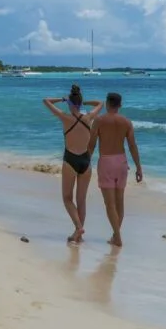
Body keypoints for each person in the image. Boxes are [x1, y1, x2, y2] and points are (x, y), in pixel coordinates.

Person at [44, 84, 103, 244]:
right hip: (86, 160)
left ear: (70, 104)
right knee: (81, 200)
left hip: (70, 159)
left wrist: (63, 99)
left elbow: (46, 101)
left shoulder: (65, 117)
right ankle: (79, 235)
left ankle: (78, 227)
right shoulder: (89, 117)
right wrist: (84, 102)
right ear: (80, 103)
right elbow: (100, 104)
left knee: (67, 198)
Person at [87, 92, 143, 247]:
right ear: (120, 105)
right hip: (122, 162)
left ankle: (117, 237)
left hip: (106, 162)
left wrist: (86, 161)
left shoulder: (99, 120)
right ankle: (115, 235)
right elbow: (132, 146)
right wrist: (138, 167)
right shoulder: (126, 122)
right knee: (120, 202)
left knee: (110, 204)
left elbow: (91, 144)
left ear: (106, 103)